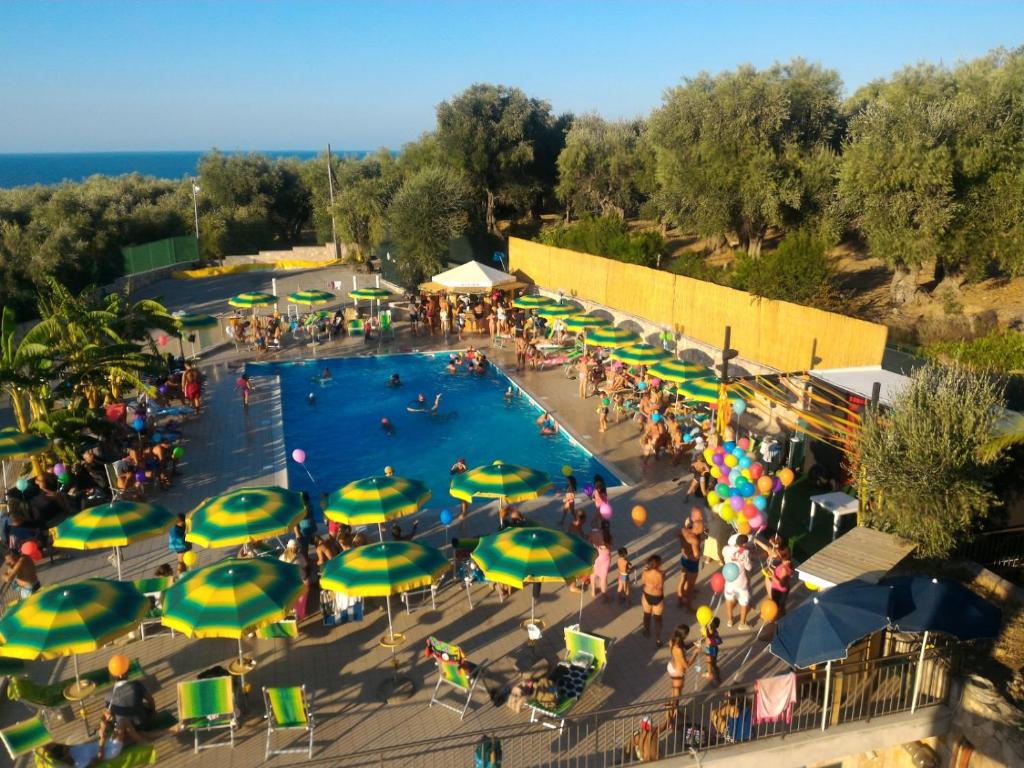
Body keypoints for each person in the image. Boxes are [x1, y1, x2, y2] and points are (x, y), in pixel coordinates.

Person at [104, 654, 156, 740]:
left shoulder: (108, 696)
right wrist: (153, 713)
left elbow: (110, 714)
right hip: (143, 725)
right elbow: (150, 700)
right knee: (145, 704)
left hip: (125, 730)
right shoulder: (136, 685)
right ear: (122, 675)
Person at [722, 534, 753, 630]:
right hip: (741, 582)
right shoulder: (745, 553)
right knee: (744, 602)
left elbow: (723, 555)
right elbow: (748, 567)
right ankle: (742, 624)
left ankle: (730, 620)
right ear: (744, 543)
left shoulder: (726, 549)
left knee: (728, 599)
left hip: (729, 579)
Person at [677, 508, 705, 611]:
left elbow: (677, 535)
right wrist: (700, 554)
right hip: (692, 563)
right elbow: (696, 555)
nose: (702, 530)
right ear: (697, 529)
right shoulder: (694, 540)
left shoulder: (684, 530)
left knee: (682, 579)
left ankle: (679, 601)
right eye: (701, 529)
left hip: (684, 558)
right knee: (690, 586)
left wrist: (683, 548)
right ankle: (688, 606)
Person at [641, 554, 666, 646]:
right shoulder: (661, 574)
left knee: (647, 615)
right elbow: (661, 585)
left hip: (647, 594)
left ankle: (646, 631)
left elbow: (643, 581)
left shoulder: (645, 572)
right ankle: (658, 639)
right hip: (658, 597)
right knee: (658, 619)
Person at [667, 625, 696, 704]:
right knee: (677, 696)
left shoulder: (672, 641)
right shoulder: (678, 649)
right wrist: (695, 654)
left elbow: (685, 648)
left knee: (674, 691)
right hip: (678, 672)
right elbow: (686, 665)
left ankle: (671, 712)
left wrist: (693, 643)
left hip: (672, 666)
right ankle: (673, 713)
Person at [590, 520, 612, 602]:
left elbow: (590, 542)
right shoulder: (608, 536)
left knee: (593, 574)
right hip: (605, 558)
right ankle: (604, 596)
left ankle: (593, 591)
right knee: (603, 578)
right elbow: (609, 547)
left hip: (596, 555)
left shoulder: (594, 534)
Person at [702, 617, 723, 684]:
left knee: (713, 664)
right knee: (708, 661)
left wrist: (711, 640)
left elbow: (720, 641)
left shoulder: (715, 633)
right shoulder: (708, 630)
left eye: (710, 624)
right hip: (708, 648)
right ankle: (709, 672)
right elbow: (705, 636)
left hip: (713, 649)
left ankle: (717, 678)